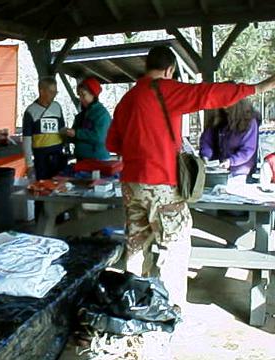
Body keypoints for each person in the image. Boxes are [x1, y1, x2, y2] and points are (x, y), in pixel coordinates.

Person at [106, 45, 275, 309]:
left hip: (131, 185)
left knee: (136, 244)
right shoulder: (166, 89)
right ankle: (169, 310)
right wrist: (258, 87)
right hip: (161, 183)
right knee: (174, 247)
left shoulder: (127, 100)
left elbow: (112, 143)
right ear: (170, 69)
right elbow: (209, 93)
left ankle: (134, 303)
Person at [200, 99, 258, 184]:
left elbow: (248, 150)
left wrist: (231, 161)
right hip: (216, 171)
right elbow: (206, 140)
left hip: (238, 173)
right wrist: (205, 156)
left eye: (228, 106)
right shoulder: (218, 117)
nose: (225, 108)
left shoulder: (249, 122)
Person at [22, 77, 66, 180]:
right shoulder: (30, 111)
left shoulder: (57, 107)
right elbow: (27, 140)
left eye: (56, 92)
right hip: (41, 158)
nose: (54, 95)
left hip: (58, 155)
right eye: (51, 92)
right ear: (41, 91)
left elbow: (62, 129)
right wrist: (29, 164)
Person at [64, 77, 111, 160]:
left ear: (93, 94)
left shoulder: (102, 114)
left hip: (97, 160)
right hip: (82, 159)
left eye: (83, 95)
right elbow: (75, 136)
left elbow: (99, 137)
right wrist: (67, 135)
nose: (80, 99)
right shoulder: (81, 116)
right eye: (79, 95)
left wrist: (76, 133)